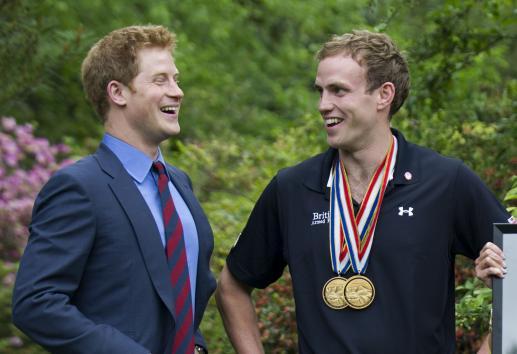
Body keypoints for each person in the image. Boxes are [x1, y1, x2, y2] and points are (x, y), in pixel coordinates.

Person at [215, 30, 512, 353]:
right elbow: (231, 286)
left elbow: (515, 281)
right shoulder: (292, 188)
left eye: (338, 91)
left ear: (384, 95)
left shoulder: (445, 181)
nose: (323, 105)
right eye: (321, 91)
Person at [12, 25, 215, 354]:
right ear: (117, 92)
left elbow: (186, 299)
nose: (177, 91)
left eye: (176, 79)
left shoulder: (179, 183)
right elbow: (35, 303)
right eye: (160, 80)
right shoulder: (78, 187)